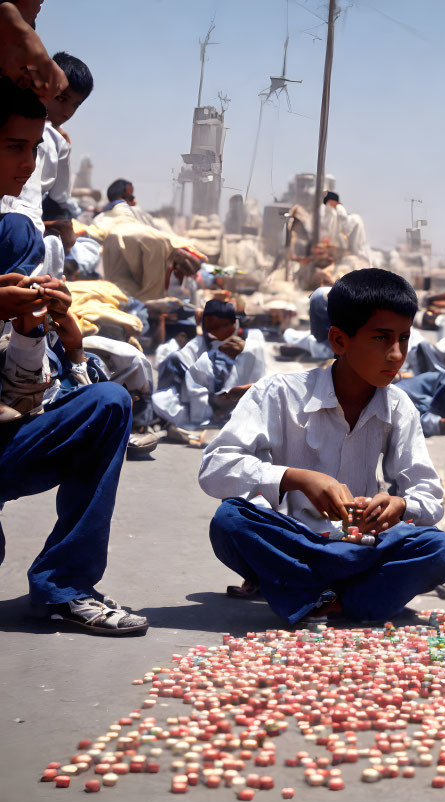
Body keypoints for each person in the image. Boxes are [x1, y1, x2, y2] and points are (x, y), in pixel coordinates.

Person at [198, 268, 445, 624]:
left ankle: (311, 594)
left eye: (403, 338)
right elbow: (214, 470)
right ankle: (349, 596)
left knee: (444, 549)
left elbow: (428, 495)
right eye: (382, 339)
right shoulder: (278, 393)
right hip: (293, 541)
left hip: (362, 546)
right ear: (339, 340)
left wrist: (399, 505)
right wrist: (294, 477)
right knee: (230, 520)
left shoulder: (399, 405)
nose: (396, 354)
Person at [0, 78, 144, 635]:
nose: (26, 163)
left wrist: (34, 329)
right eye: (14, 146)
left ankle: (66, 585)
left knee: (107, 404)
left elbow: (20, 398)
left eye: (34, 149)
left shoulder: (15, 234)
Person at [1, 51, 91, 233]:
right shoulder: (58, 140)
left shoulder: (10, 120)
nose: (67, 112)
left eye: (75, 105)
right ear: (45, 88)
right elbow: (61, 196)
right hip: (26, 228)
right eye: (61, 99)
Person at [153, 296, 267, 440]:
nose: (220, 332)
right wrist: (209, 413)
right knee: (162, 400)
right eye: (214, 327)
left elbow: (258, 382)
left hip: (238, 404)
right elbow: (195, 388)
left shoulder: (251, 346)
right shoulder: (196, 347)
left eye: (225, 326)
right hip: (207, 407)